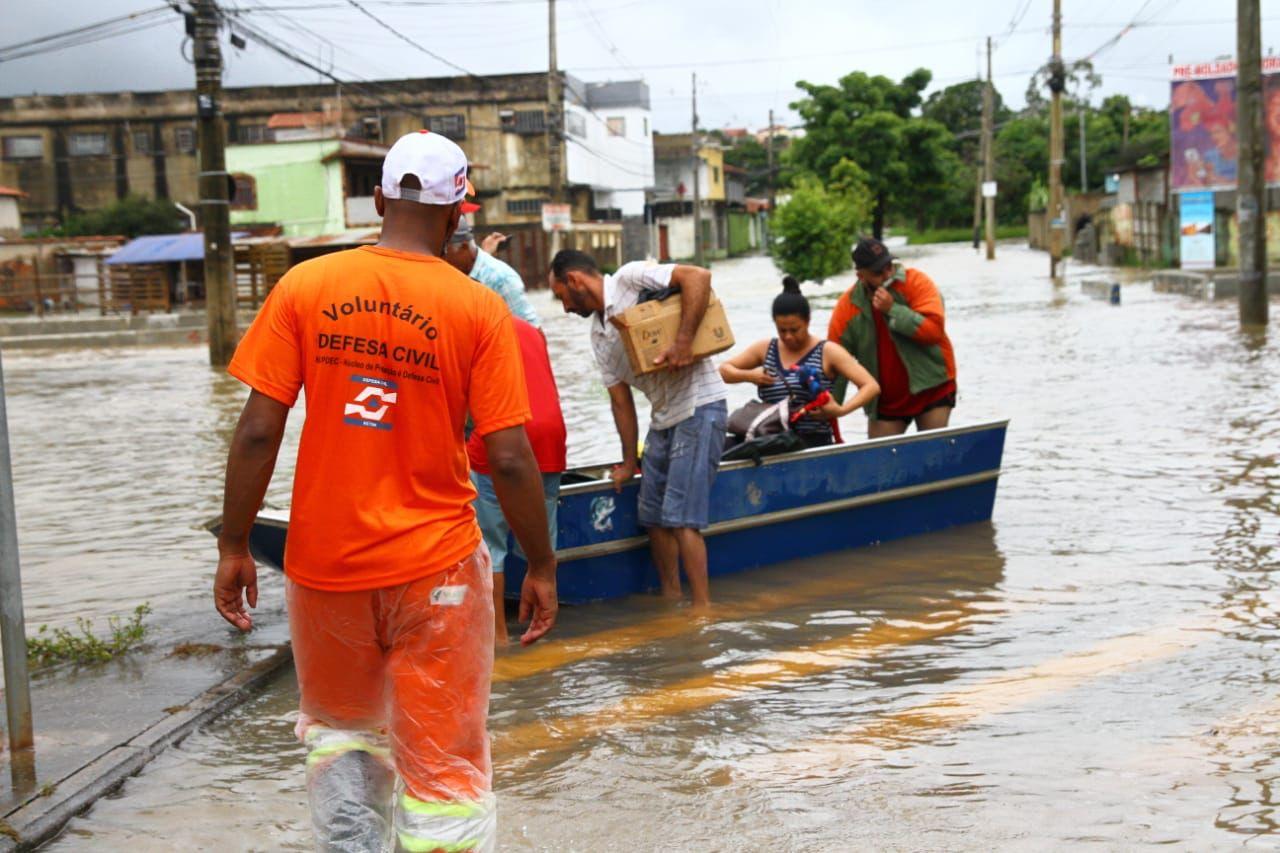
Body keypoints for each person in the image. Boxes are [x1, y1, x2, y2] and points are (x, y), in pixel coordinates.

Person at [214, 130, 557, 853]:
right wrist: (542, 563)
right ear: (460, 210)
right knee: (443, 767)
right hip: (436, 572)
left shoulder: (305, 287)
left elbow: (255, 431)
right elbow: (511, 457)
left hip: (323, 570)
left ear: (378, 198)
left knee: (343, 745)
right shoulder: (478, 309)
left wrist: (235, 542)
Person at [549, 249, 728, 610]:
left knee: (681, 519)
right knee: (652, 517)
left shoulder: (630, 278)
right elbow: (620, 402)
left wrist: (682, 342)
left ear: (574, 281)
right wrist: (628, 461)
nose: (565, 307)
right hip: (663, 417)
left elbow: (698, 277)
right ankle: (671, 599)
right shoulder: (598, 335)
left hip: (700, 403)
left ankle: (702, 610)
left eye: (561, 297)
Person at [466, 315, 566, 646]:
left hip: (505, 434)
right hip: (551, 435)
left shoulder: (473, 327)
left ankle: (499, 638)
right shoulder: (533, 330)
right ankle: (544, 630)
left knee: (490, 547)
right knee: (540, 548)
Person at [720, 276, 879, 447]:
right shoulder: (765, 348)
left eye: (795, 330)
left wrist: (840, 411)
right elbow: (723, 370)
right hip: (771, 440)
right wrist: (749, 376)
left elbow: (871, 386)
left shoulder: (828, 352)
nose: (788, 336)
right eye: (782, 330)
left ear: (808, 321)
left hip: (813, 440)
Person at [827, 236, 957, 439]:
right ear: (861, 276)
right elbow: (836, 363)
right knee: (880, 465)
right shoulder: (847, 308)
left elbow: (933, 332)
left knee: (933, 455)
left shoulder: (917, 282)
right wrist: (830, 409)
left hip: (933, 388)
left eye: (889, 266)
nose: (887, 274)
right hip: (886, 402)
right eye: (878, 272)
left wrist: (893, 310)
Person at [444, 217, 541, 327]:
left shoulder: (501, 279)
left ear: (464, 247)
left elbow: (531, 331)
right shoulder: (452, 277)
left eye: (444, 253)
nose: (440, 259)